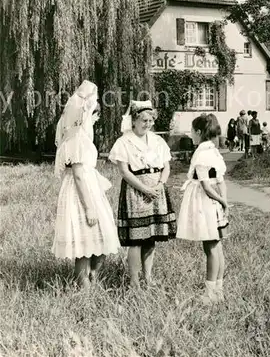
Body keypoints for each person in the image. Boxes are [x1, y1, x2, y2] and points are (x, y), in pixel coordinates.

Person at [52, 80, 120, 289]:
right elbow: (79, 174)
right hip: (81, 192)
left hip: (90, 187)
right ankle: (84, 286)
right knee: (84, 240)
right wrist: (89, 206)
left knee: (102, 237)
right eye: (93, 111)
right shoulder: (76, 140)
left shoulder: (81, 137)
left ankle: (92, 276)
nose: (95, 117)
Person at [108, 100, 176, 289]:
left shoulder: (157, 140)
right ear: (134, 121)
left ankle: (148, 277)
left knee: (151, 237)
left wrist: (160, 184)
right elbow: (124, 171)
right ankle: (134, 281)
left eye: (150, 120)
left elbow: (166, 166)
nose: (148, 124)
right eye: (144, 120)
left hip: (157, 192)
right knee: (137, 239)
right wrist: (145, 189)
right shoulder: (124, 142)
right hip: (136, 192)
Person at [177, 113, 228, 305]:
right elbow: (221, 182)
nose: (190, 134)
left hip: (205, 203)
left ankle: (210, 292)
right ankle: (218, 290)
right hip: (215, 203)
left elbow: (206, 186)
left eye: (191, 131)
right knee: (217, 246)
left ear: (198, 132)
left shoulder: (202, 154)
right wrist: (224, 201)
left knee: (211, 248)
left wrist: (221, 202)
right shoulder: (214, 151)